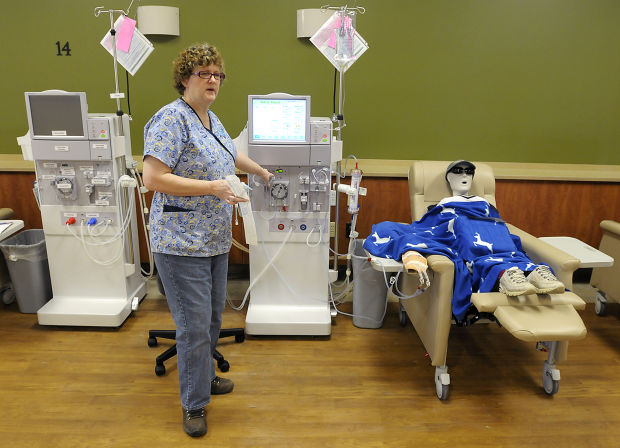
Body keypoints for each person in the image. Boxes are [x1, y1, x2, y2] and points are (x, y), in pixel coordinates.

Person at [142, 43, 272, 438]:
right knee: (194, 327)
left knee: (213, 320)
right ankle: (194, 403)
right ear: (185, 78)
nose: (213, 79)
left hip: (213, 240)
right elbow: (153, 178)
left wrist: (263, 172)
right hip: (180, 243)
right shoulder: (171, 120)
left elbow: (230, 155)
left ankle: (204, 378)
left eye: (217, 73)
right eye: (204, 73)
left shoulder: (209, 120)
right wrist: (214, 188)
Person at [363, 160, 565, 322]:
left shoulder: (484, 205)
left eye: (469, 172)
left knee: (497, 229)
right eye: (458, 171)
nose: (464, 175)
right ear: (448, 178)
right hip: (460, 231)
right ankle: (503, 273)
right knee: (462, 226)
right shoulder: (442, 205)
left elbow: (497, 222)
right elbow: (431, 227)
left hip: (489, 226)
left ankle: (531, 271)